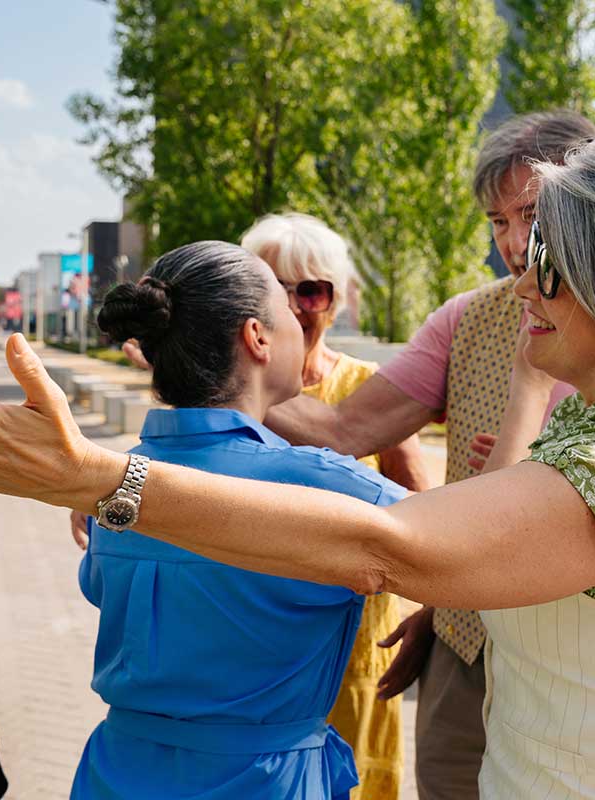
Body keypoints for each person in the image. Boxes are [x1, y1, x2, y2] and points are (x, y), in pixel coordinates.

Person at [0, 125, 595, 799]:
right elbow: (456, 544)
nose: (520, 276)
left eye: (548, 256)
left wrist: (100, 479)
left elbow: (396, 547)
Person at [264, 111, 595, 799]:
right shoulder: (465, 319)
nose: (513, 242)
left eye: (530, 214)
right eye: (496, 221)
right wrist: (204, 379)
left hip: (587, 652)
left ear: (593, 206)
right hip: (465, 647)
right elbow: (345, 431)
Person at [80, 241, 410, 797]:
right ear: (257, 337)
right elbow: (470, 544)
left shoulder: (117, 483)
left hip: (117, 772)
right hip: (263, 782)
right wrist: (528, 385)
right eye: (286, 308)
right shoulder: (325, 483)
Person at [240, 211, 427, 799]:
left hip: (353, 651)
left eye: (312, 290)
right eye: (274, 289)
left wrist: (436, 615)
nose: (294, 307)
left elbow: (425, 514)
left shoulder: (371, 391)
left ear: (337, 300)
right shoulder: (225, 390)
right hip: (251, 646)